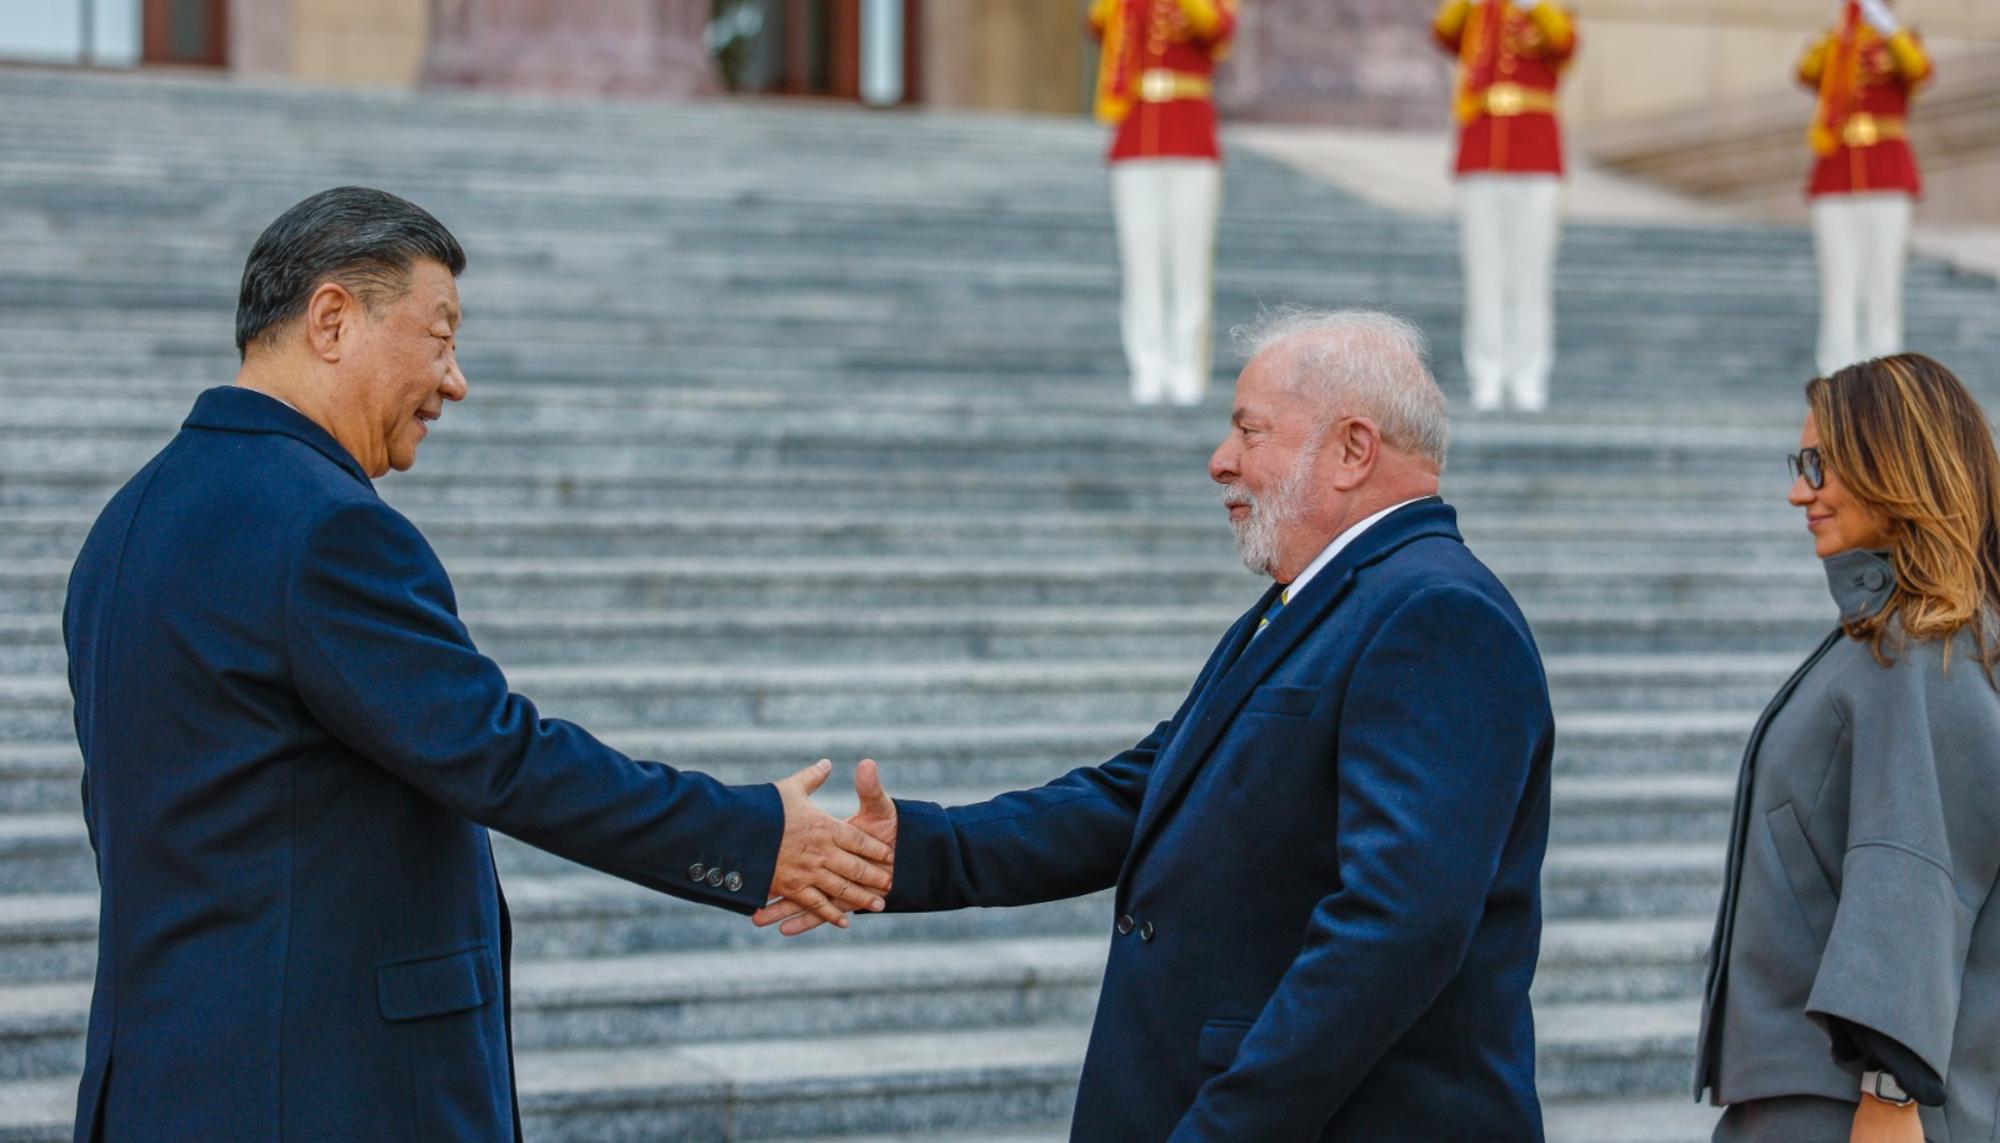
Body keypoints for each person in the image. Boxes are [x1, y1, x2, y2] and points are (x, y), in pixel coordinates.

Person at [61, 186, 894, 1141]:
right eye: (440, 336)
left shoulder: (123, 525)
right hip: (323, 1093)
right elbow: (504, 756)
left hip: (162, 1086)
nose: (455, 380)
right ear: (332, 319)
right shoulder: (326, 529)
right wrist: (755, 839)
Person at [760, 309, 1556, 1140]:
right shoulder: (1328, 598)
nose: (1221, 460)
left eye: (1249, 430)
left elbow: (1395, 929)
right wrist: (903, 853)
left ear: (1353, 450)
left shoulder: (1436, 613)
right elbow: (1138, 794)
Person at [1694, 353, 2000, 1143]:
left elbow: (1910, 874)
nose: (1800, 490)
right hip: (1809, 1099)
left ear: (1893, 465)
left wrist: (1887, 1095)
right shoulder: (1897, 639)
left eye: (1819, 464)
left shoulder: (1922, 649)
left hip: (1847, 1111)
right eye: (1801, 464)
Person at [1431, 0, 1577, 413]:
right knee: (1484, 271)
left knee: (1531, 272)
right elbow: (1444, 35)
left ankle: (1529, 375)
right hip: (1482, 148)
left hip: (1536, 151)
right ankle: (1487, 374)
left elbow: (1565, 46)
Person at [1089, 0, 1236, 407]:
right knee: (1141, 259)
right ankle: (1147, 366)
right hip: (1136, 132)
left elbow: (1218, 30)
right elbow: (1098, 26)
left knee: (1190, 261)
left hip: (1190, 134)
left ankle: (1187, 366)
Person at [1799, 0, 1933, 378]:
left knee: (1883, 280)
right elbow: (1806, 72)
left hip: (1887, 173)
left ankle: (1886, 376)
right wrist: (1838, 29)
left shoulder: (1900, 39)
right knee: (1838, 280)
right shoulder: (1837, 41)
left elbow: (1920, 70)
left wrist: (1887, 25)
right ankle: (1836, 373)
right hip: (1836, 173)